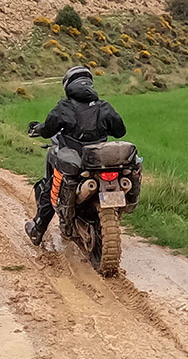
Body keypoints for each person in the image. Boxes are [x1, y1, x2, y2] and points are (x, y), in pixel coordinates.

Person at [25, 66, 127, 246]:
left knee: (51, 187)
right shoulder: (103, 106)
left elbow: (49, 129)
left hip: (75, 161)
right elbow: (120, 132)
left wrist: (37, 129)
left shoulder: (64, 107)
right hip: (100, 160)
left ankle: (38, 229)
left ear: (68, 86)